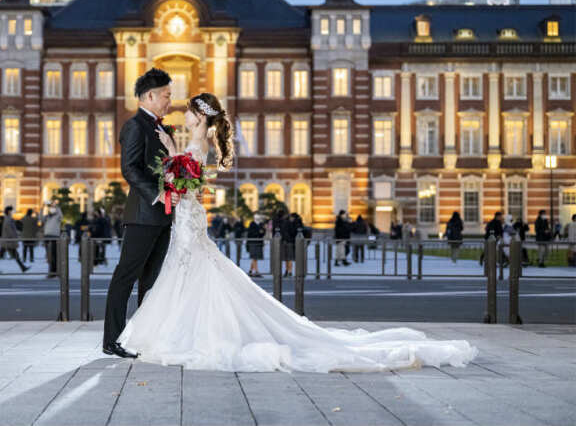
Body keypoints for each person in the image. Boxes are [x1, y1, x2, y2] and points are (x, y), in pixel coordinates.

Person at [115, 90, 478, 372]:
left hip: (188, 217)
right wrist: (173, 154)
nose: (185, 113)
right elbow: (186, 174)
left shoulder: (197, 142)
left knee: (190, 269)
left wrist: (169, 162)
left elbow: (186, 181)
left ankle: (185, 333)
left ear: (200, 115)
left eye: (191, 110)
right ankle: (183, 329)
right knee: (188, 271)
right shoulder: (195, 142)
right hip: (187, 218)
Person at [102, 68, 177, 359]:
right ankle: (113, 339)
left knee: (152, 280)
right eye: (167, 96)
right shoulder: (135, 126)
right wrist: (158, 194)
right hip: (142, 215)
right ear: (150, 95)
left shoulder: (163, 128)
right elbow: (129, 168)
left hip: (163, 215)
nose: (170, 101)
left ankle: (144, 337)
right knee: (126, 276)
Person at [0, 206, 29, 273]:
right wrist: (14, 238)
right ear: (9, 211)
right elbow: (9, 230)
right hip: (8, 241)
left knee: (10, 254)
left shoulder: (8, 218)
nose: (13, 212)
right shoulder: (8, 219)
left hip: (7, 240)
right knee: (11, 254)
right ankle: (23, 267)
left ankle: (23, 267)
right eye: (11, 210)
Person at [42, 201, 63, 277]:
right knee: (49, 256)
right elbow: (41, 218)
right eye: (51, 208)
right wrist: (43, 207)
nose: (51, 209)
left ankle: (55, 271)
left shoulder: (57, 216)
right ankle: (52, 271)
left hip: (54, 237)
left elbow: (61, 215)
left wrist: (56, 206)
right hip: (47, 236)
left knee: (55, 255)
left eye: (53, 208)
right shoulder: (47, 216)